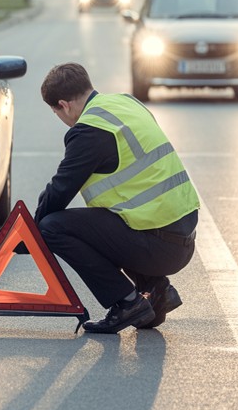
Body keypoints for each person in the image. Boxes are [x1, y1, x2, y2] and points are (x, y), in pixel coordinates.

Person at [32, 63, 200, 334]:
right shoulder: (126, 102)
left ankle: (127, 302)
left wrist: (29, 234)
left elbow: (59, 190)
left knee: (51, 227)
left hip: (159, 245)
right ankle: (156, 292)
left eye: (55, 112)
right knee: (104, 221)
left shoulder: (89, 131)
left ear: (63, 105)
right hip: (181, 236)